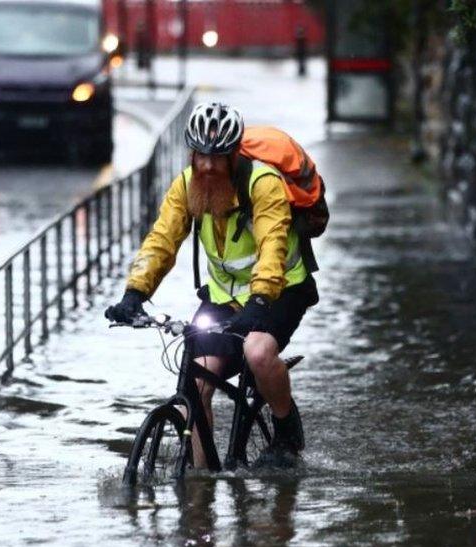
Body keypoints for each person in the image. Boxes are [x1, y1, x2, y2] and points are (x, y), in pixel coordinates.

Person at [105, 102, 319, 467]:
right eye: (199, 155)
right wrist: (134, 293)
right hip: (224, 296)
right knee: (196, 382)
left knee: (257, 352)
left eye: (217, 158)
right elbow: (162, 239)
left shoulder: (263, 184)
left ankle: (285, 428)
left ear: (234, 156)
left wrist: (261, 301)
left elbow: (272, 247)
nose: (206, 165)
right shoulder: (187, 185)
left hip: (280, 290)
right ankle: (200, 484)